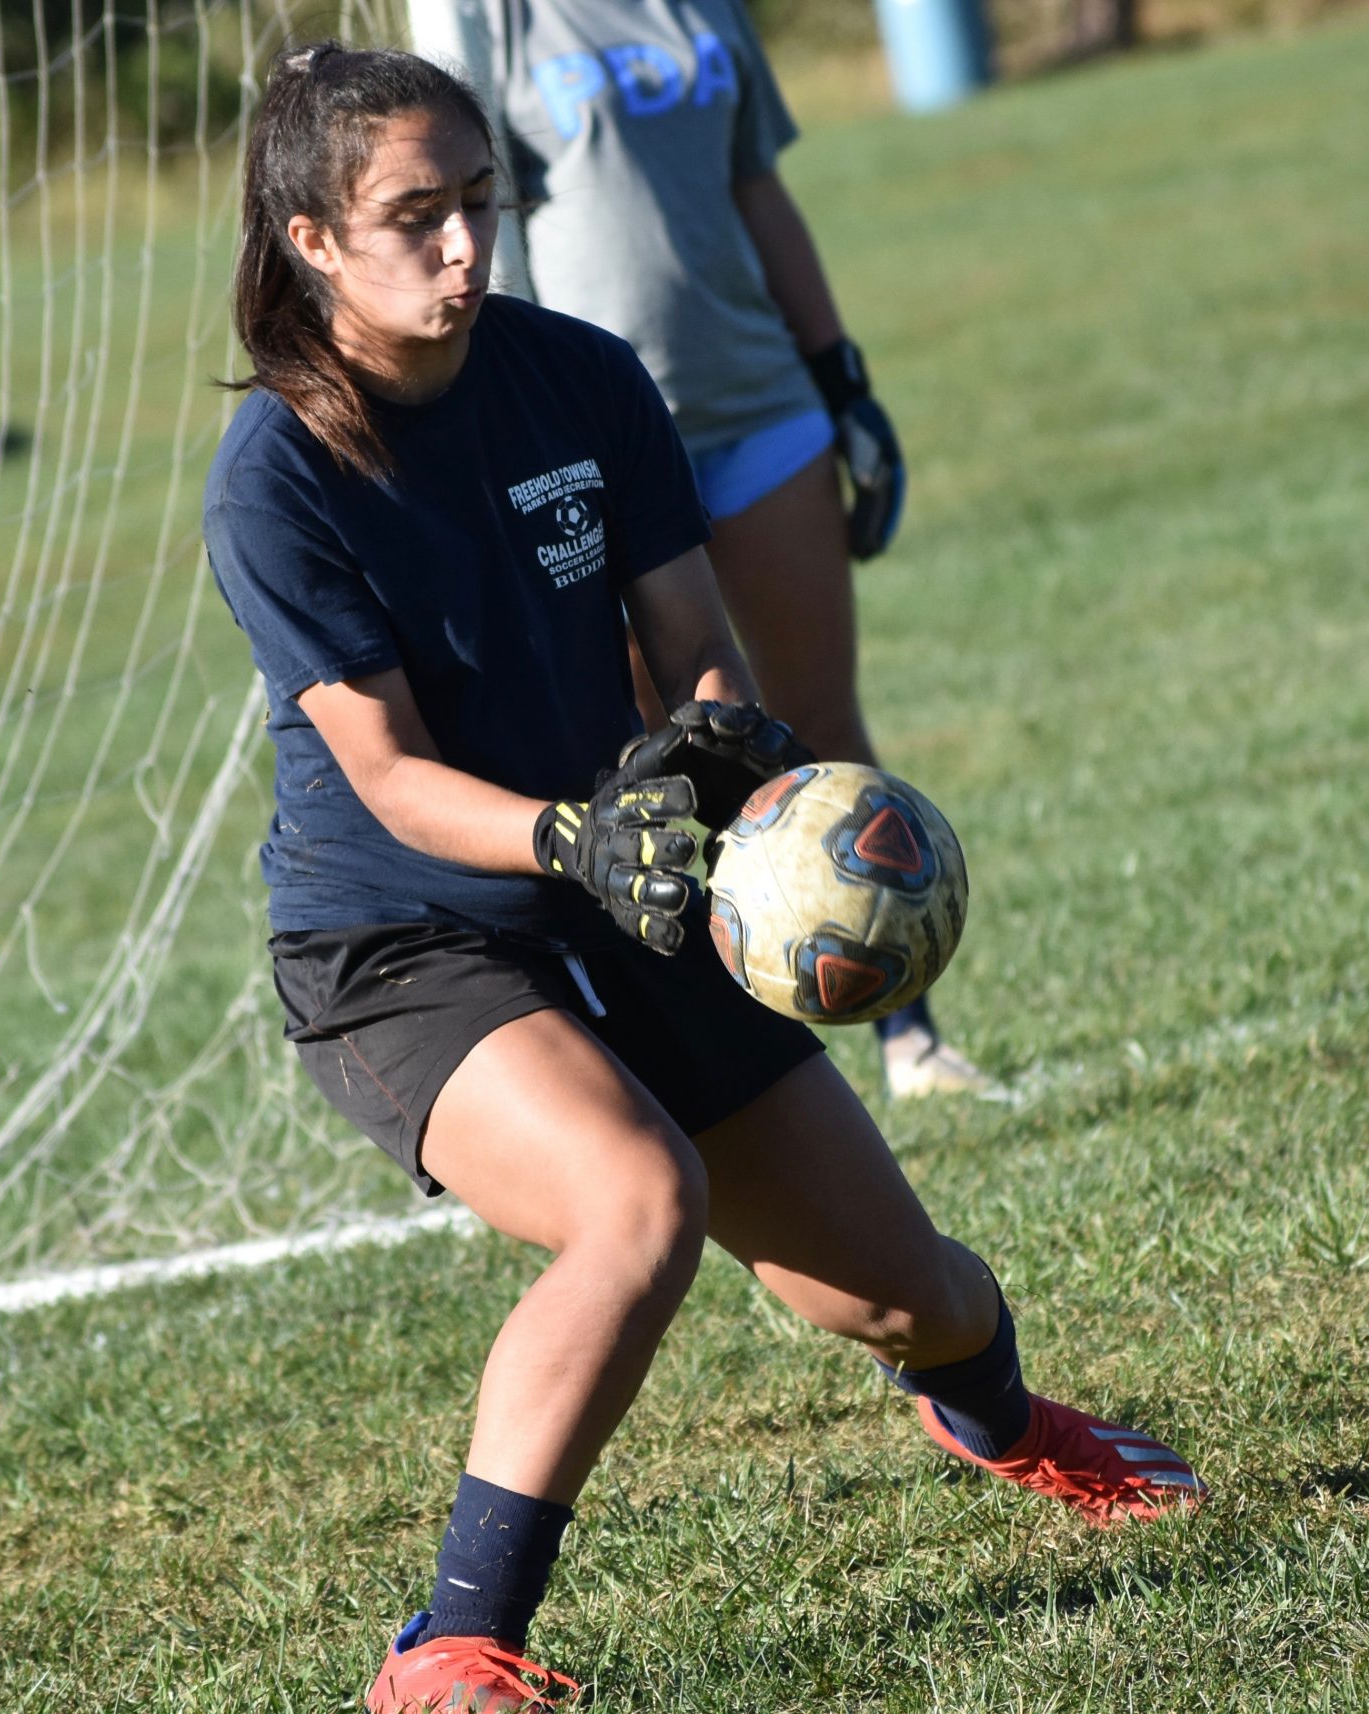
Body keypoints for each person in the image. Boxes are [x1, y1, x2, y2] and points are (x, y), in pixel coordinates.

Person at [203, 44, 1202, 1712]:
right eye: (411, 221)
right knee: (633, 1200)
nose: (462, 252)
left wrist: (721, 759)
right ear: (309, 238)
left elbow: (698, 656)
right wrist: (567, 831)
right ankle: (449, 1646)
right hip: (403, 936)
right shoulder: (280, 475)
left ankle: (1013, 1427)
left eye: (478, 207)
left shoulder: (582, 380)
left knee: (911, 1293)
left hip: (634, 890)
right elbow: (383, 775)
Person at [414, 0, 989, 1099]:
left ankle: (906, 1032)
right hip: (596, 440)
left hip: (760, 404)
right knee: (647, 768)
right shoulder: (479, 18)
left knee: (806, 727)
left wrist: (839, 378)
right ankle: (682, 1066)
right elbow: (460, 225)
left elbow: (754, 186)